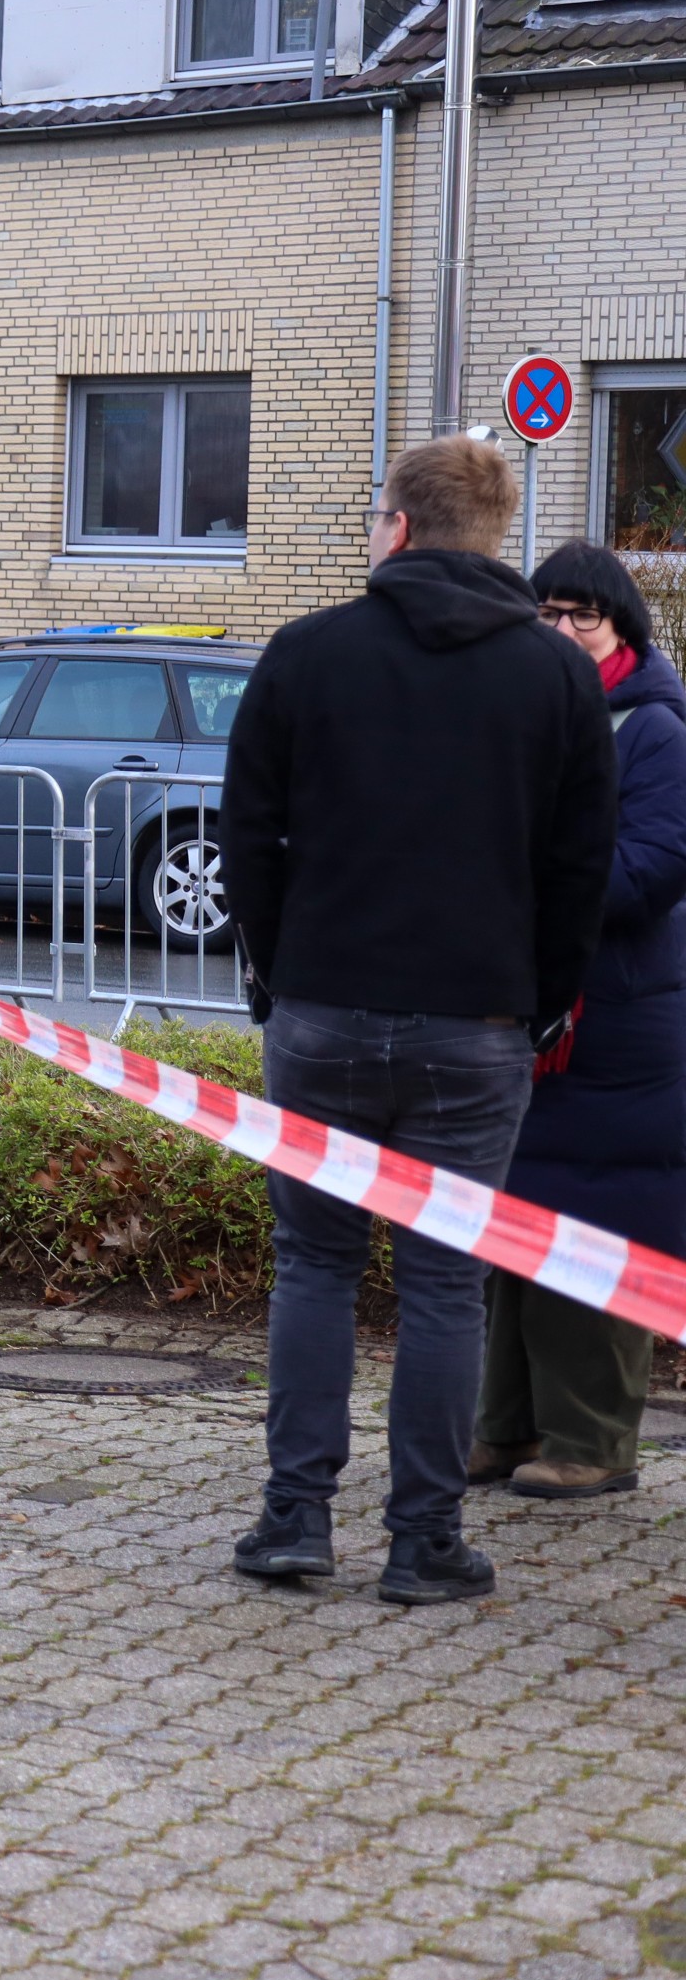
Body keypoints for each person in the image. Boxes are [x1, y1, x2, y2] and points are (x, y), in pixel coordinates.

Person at [218, 435, 615, 1604]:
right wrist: (539, 1000)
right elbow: (579, 867)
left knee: (314, 1263)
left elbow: (247, 832)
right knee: (445, 1284)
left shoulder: (308, 652)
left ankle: (295, 1517)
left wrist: (277, 970)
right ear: (496, 536)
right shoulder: (556, 677)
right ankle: (423, 1538)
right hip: (477, 1020)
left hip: (323, 1007)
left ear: (396, 525)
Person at [470, 540, 686, 1499]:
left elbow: (655, 866)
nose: (560, 629)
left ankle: (591, 1439)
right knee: (504, 1223)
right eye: (545, 612)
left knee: (592, 1224)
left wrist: (531, 885)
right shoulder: (521, 713)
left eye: (580, 614)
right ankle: (504, 1427)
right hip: (521, 1008)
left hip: (618, 1022)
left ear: (618, 626)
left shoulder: (655, 730)